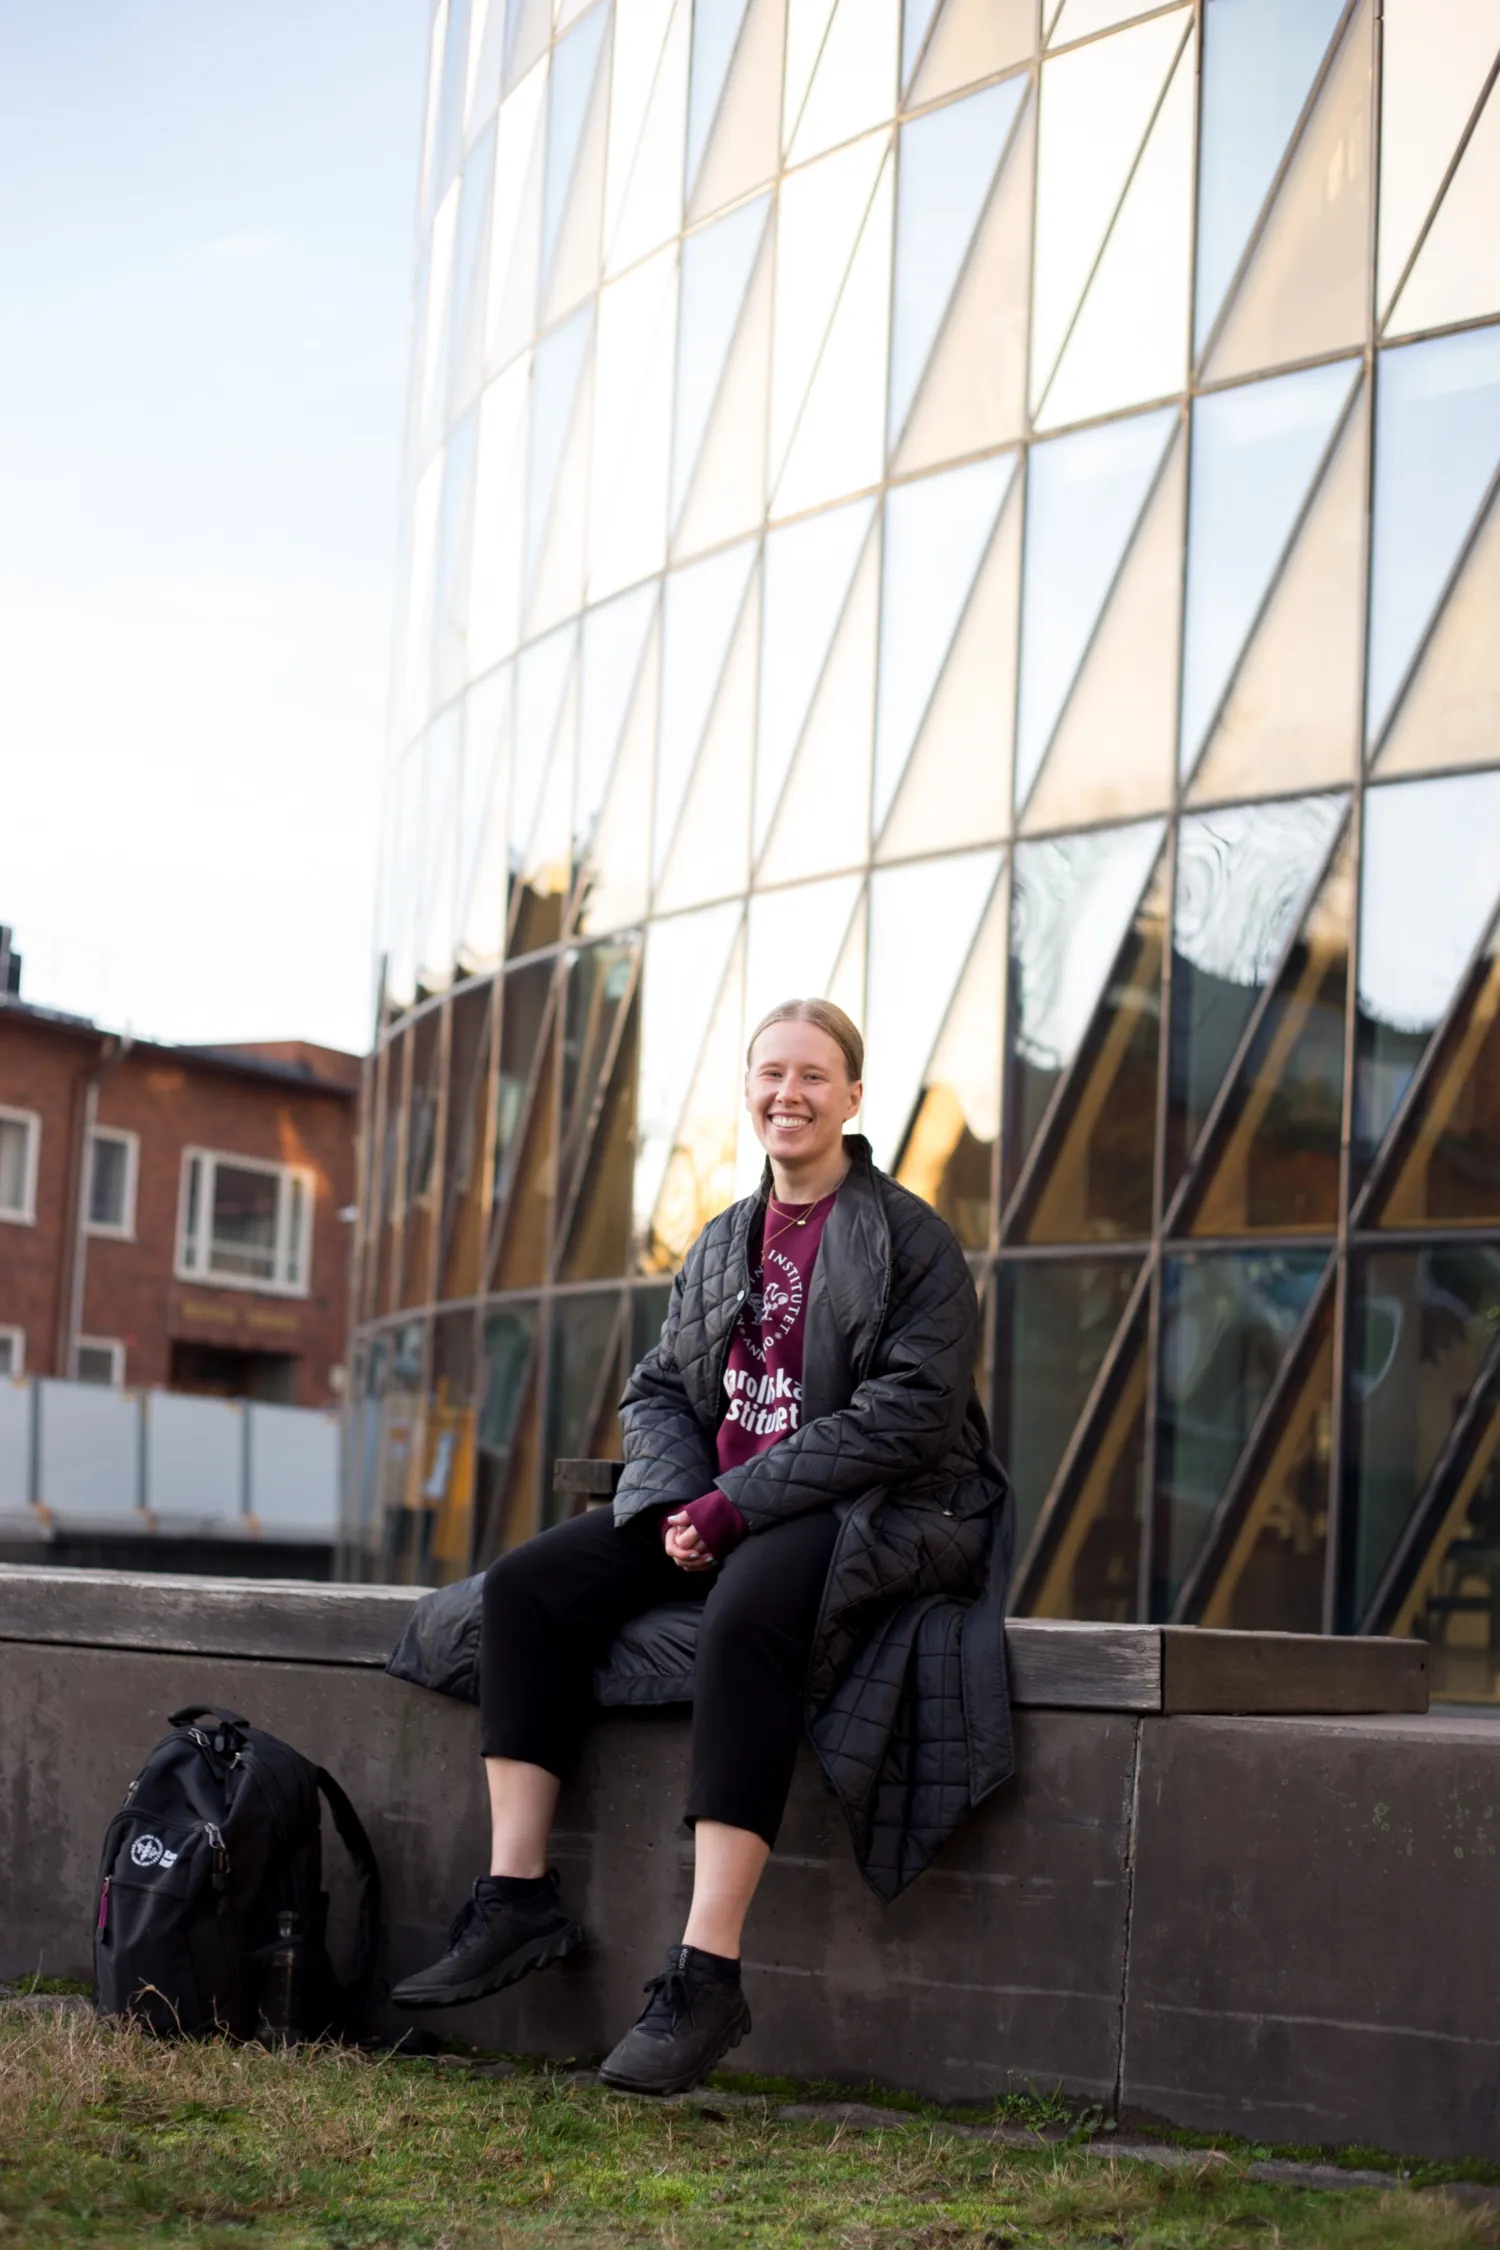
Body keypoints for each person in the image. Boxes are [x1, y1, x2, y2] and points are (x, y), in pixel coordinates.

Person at [392, 998, 1013, 2094]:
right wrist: (682, 1502)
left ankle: (706, 1970)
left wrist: (734, 1509)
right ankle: (516, 1896)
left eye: (815, 1076)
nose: (790, 1093)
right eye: (771, 1072)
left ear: (854, 1098)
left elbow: (906, 1420)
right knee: (529, 1589)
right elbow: (659, 1391)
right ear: (749, 1088)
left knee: (747, 1614)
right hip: (721, 1503)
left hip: (871, 1509)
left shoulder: (911, 1241)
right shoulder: (724, 1240)